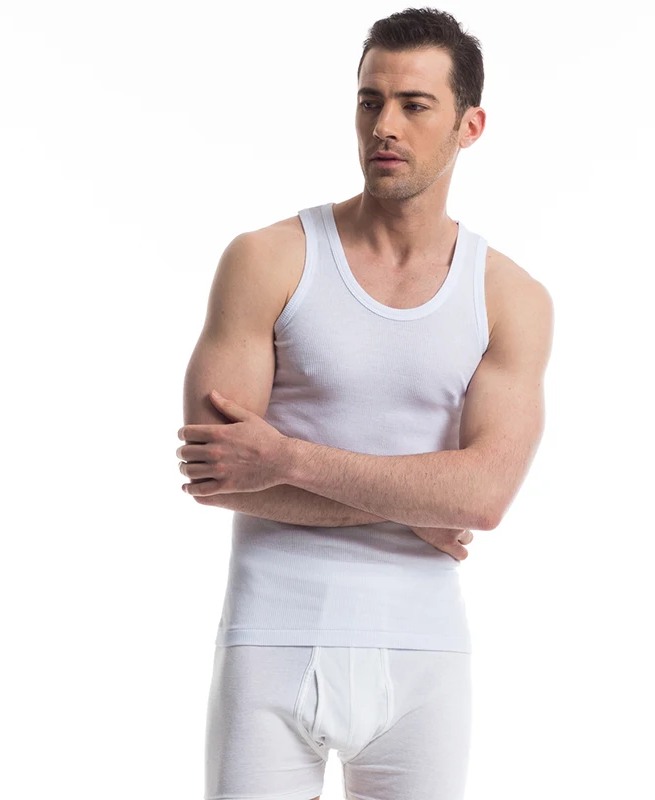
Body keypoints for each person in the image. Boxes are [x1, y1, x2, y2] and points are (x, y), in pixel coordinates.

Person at [177, 8, 553, 800]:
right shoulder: (269, 259)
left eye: (415, 105)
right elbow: (217, 473)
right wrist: (414, 506)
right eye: (369, 101)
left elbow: (483, 497)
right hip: (271, 637)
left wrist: (286, 458)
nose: (385, 125)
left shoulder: (508, 297)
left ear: (470, 125)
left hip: (423, 654)